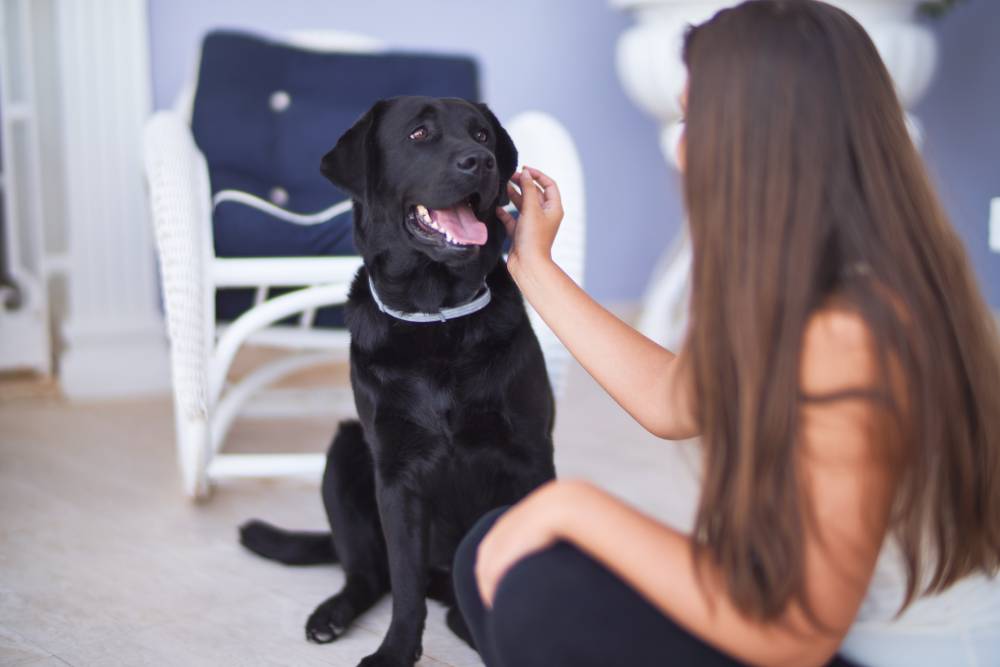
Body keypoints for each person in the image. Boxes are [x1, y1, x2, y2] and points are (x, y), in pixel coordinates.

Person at [450, 1, 1000, 666]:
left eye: (691, 119)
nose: (680, 149)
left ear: (757, 136)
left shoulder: (850, 330)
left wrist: (575, 507)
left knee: (542, 589)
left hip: (875, 652)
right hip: (819, 627)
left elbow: (797, 633)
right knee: (494, 545)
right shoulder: (795, 275)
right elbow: (672, 398)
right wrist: (532, 266)